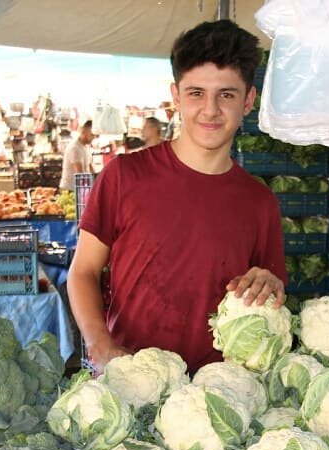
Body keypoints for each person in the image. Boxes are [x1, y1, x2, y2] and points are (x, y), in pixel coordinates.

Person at [67, 20, 286, 373]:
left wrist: (270, 286)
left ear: (248, 101)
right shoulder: (123, 177)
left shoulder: (260, 202)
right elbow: (83, 272)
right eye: (196, 93)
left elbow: (271, 292)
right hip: (131, 380)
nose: (210, 109)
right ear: (176, 96)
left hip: (218, 393)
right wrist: (101, 345)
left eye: (226, 94)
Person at [59, 120, 95, 190]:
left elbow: (90, 167)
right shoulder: (75, 148)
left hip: (80, 187)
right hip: (70, 189)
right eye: (92, 135)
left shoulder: (86, 147)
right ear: (84, 132)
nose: (93, 137)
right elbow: (80, 173)